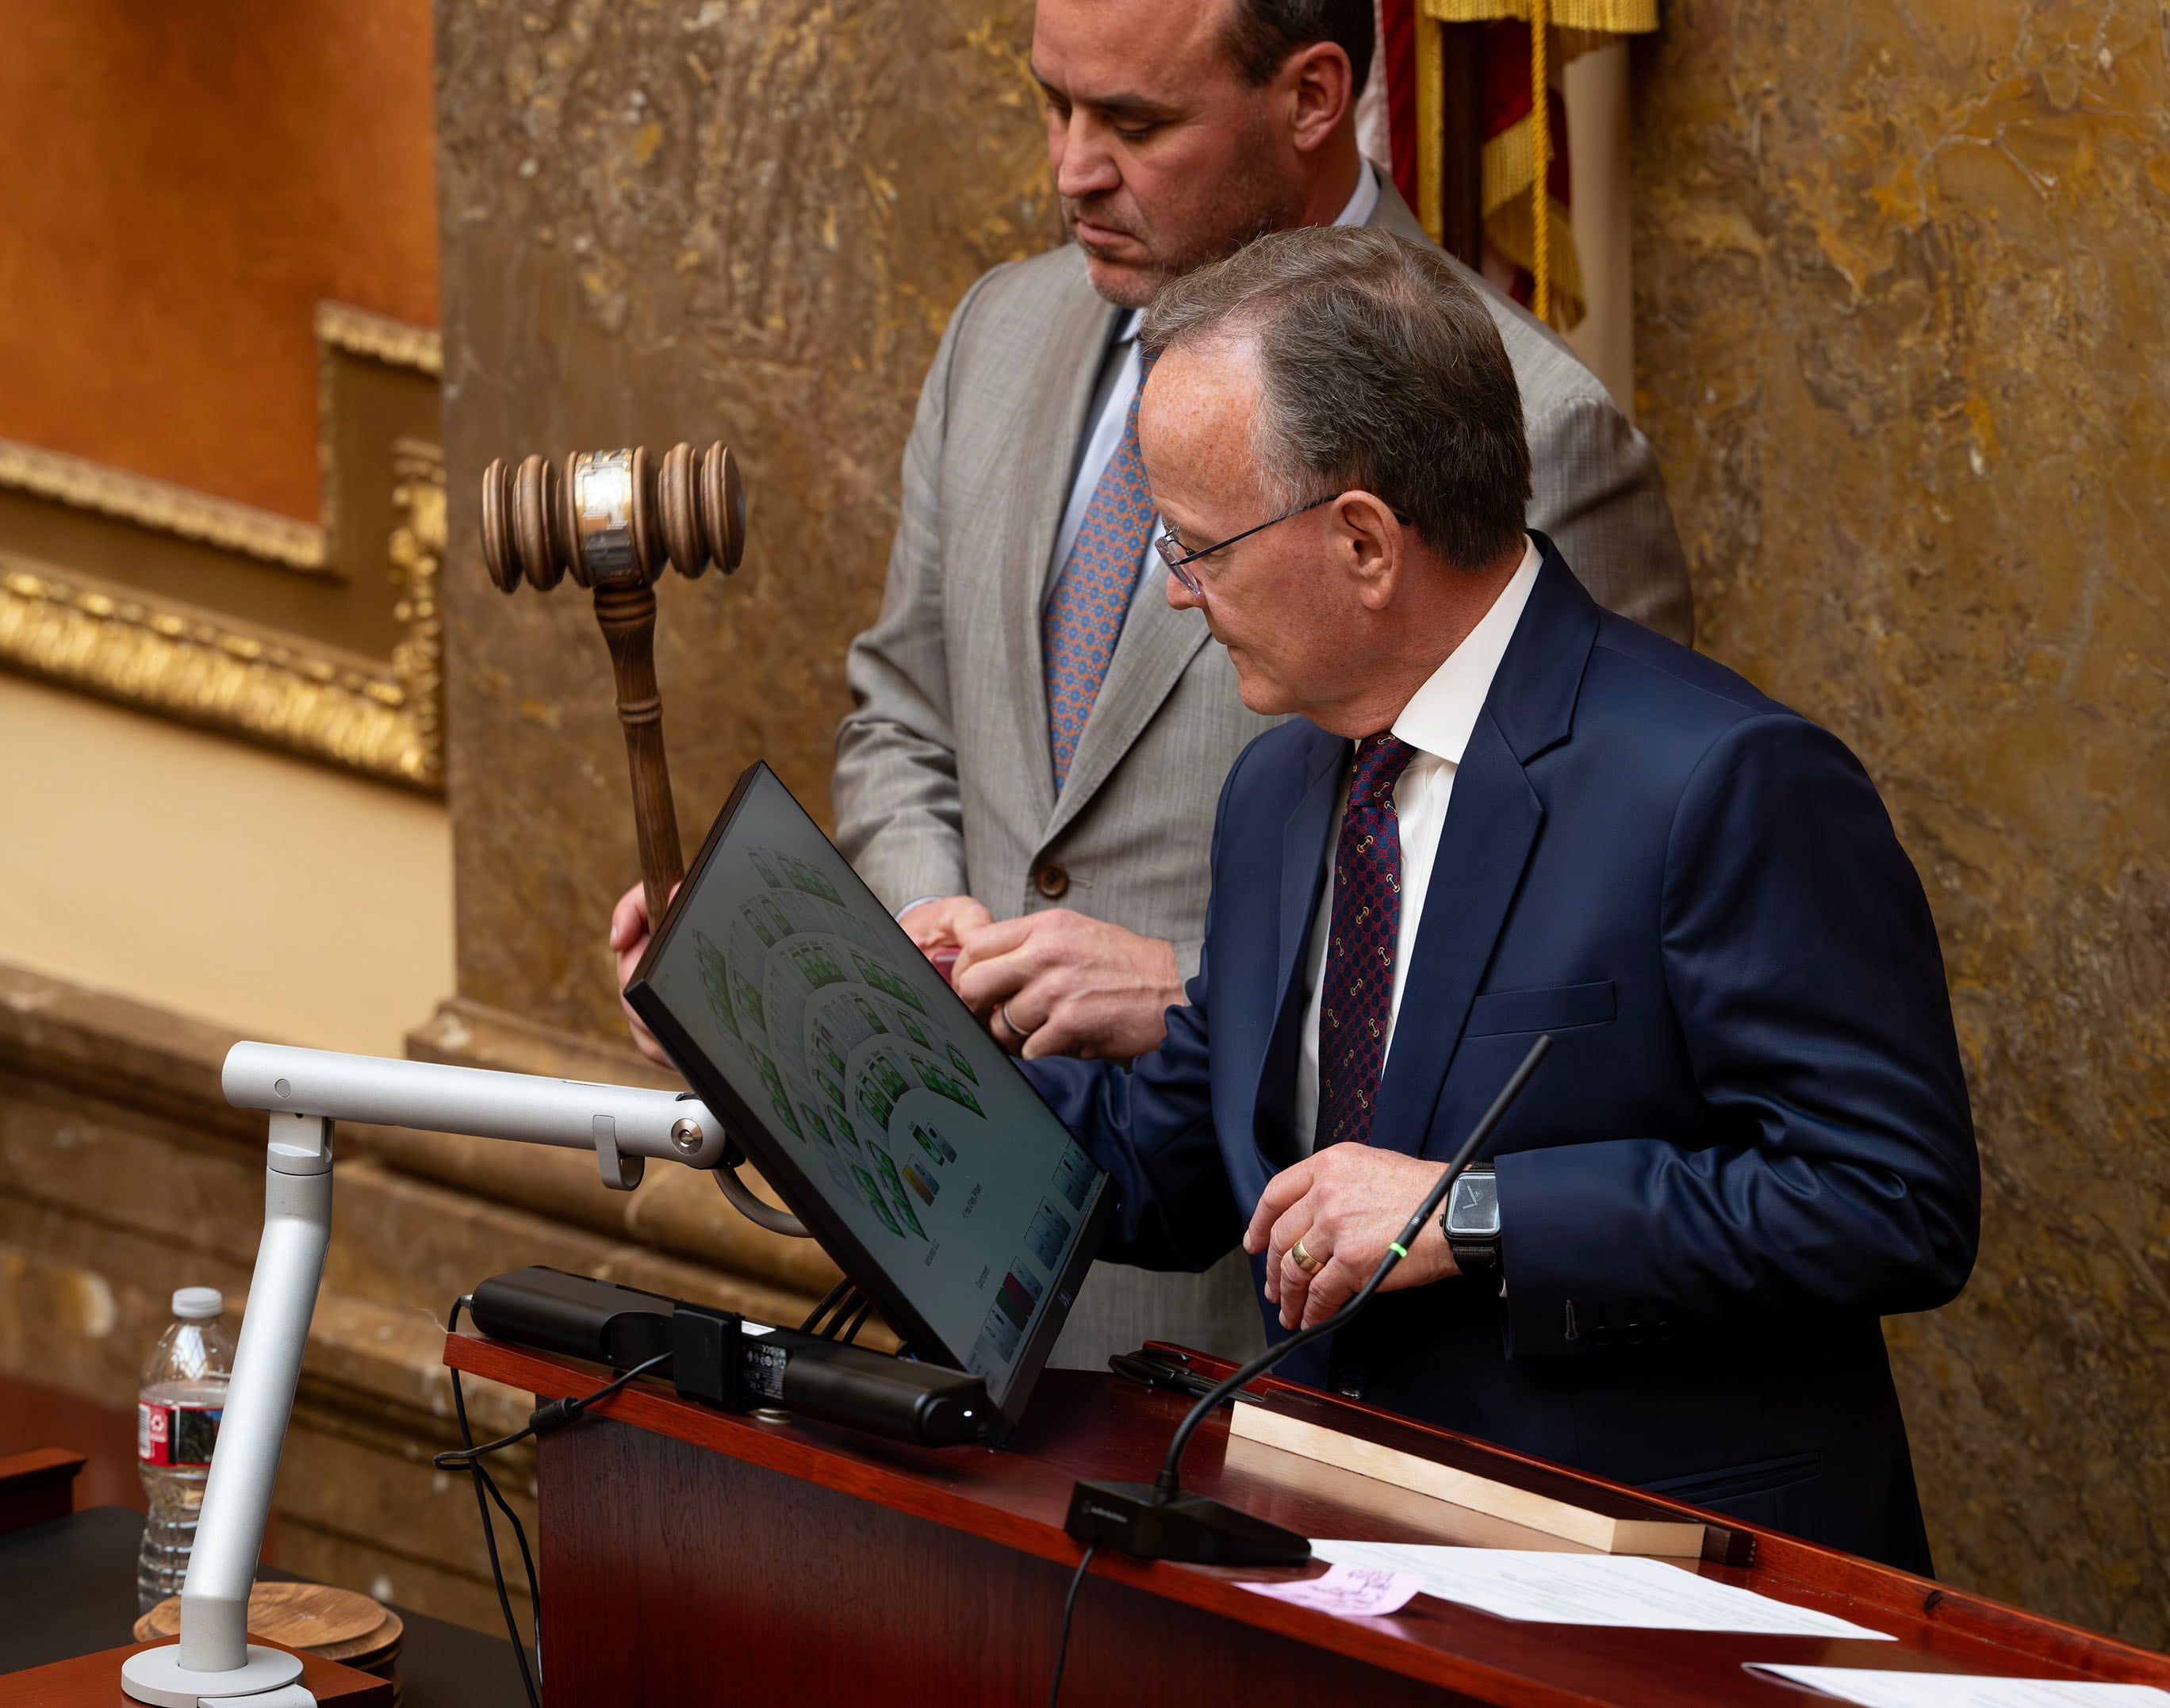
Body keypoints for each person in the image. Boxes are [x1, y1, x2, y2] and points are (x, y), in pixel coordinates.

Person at [621, 0, 1693, 1368]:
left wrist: (1191, 993)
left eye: (1133, 122)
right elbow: (902, 711)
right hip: (966, 1265)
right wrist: (903, 952)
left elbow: (1584, 970)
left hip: (1274, 1329)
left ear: (1313, 96)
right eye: (1054, 104)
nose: (1072, 166)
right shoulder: (1001, 330)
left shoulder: (1542, 430)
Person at [1019, 222, 1980, 1570]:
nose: (1179, 596)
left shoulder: (1723, 781)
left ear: (1363, 540)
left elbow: (1890, 1199)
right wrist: (842, 1057)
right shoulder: (1278, 792)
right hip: (1343, 1569)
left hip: (1658, 1590)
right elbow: (1181, 1152)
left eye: (1197, 549)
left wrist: (1474, 1214)